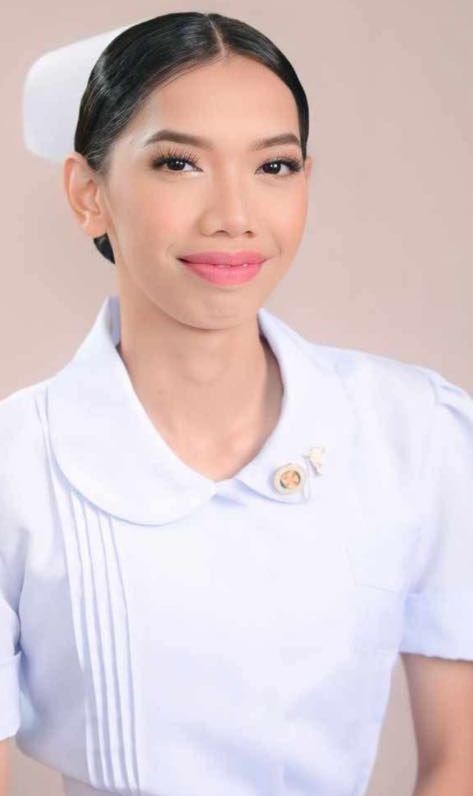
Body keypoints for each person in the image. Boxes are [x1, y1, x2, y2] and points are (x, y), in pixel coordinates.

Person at [1, 11, 472, 796]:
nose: (233, 215)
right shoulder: (13, 467)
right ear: (89, 194)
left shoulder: (415, 434)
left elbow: (461, 762)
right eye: (179, 163)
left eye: (273, 167)